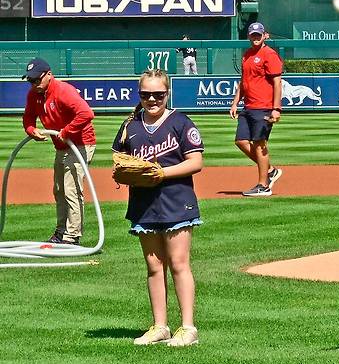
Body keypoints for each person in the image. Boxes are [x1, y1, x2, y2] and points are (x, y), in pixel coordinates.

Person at [112, 69, 204, 347]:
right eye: (146, 94)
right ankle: (160, 326)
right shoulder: (131, 125)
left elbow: (195, 162)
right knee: (154, 265)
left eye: (158, 94)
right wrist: (125, 173)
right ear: (138, 95)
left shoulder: (180, 122)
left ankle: (188, 328)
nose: (152, 99)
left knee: (178, 263)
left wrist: (162, 173)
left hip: (177, 199)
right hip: (144, 203)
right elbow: (120, 160)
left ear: (167, 94)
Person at [22, 58, 96, 245]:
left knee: (72, 189)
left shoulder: (63, 91)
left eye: (37, 80)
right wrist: (31, 130)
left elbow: (86, 113)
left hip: (80, 144)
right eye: (31, 81)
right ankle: (61, 232)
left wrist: (67, 131)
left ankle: (72, 236)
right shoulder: (34, 94)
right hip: (62, 146)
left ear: (48, 74)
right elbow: (28, 118)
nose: (34, 84)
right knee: (59, 189)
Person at [229, 22, 284, 197]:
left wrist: (276, 109)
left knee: (260, 144)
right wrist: (235, 102)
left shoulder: (269, 54)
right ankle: (270, 170)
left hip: (264, 106)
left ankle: (263, 185)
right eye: (253, 35)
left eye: (258, 35)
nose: (255, 38)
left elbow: (277, 82)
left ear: (265, 36)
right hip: (248, 106)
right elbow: (243, 81)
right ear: (249, 36)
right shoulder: (247, 55)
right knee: (241, 141)